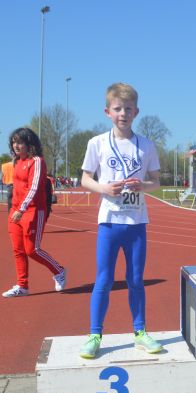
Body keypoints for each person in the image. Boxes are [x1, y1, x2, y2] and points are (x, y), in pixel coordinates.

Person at [79, 83, 163, 359]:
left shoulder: (146, 145)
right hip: (110, 222)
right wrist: (104, 188)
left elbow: (156, 182)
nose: (123, 113)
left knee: (136, 279)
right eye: (117, 109)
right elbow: (85, 179)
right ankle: (94, 335)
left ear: (136, 112)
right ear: (108, 112)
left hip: (136, 223)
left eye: (128, 109)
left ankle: (140, 332)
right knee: (103, 279)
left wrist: (143, 186)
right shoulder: (97, 143)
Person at [2, 128, 66, 298]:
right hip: (16, 211)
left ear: (29, 144)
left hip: (33, 211)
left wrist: (21, 209)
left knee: (32, 250)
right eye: (14, 142)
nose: (16, 145)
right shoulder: (16, 161)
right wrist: (15, 208)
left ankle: (59, 270)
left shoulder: (37, 161)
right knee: (18, 250)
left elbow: (34, 188)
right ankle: (22, 286)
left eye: (20, 142)